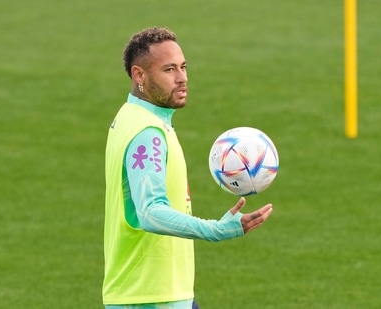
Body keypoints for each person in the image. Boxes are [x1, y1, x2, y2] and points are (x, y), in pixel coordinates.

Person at [103, 27, 274, 309]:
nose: (182, 78)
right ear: (139, 75)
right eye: (168, 70)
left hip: (159, 292)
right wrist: (215, 230)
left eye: (183, 67)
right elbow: (150, 212)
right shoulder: (147, 132)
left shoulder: (132, 117)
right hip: (150, 296)